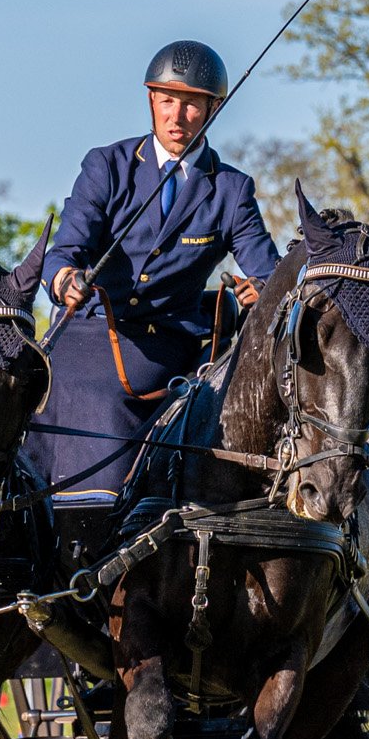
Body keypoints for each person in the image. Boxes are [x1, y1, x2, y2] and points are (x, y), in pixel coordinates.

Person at [26, 41, 279, 513]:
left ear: (212, 108)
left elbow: (268, 271)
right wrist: (64, 280)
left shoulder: (231, 190)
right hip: (91, 332)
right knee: (67, 395)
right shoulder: (107, 165)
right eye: (167, 100)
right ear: (150, 100)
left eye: (190, 103)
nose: (176, 115)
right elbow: (65, 250)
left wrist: (260, 292)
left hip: (170, 346)